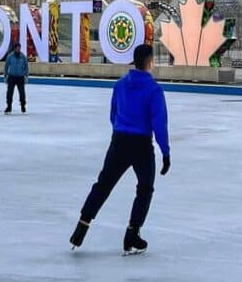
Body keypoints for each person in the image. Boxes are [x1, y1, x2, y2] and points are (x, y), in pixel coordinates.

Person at [70, 43, 170, 255]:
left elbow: (113, 114)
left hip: (119, 140)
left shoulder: (121, 85)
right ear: (150, 61)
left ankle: (82, 226)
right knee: (145, 188)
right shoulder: (154, 89)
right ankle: (132, 233)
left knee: (104, 184)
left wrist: (120, 130)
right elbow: (159, 123)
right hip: (141, 145)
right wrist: (166, 152)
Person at [3, 41, 28, 114]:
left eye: (19, 49)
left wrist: (26, 75)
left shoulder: (23, 56)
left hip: (20, 77)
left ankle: (23, 105)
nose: (18, 50)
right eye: (17, 49)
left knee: (22, 93)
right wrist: (5, 75)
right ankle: (9, 106)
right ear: (14, 49)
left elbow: (26, 66)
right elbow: (6, 66)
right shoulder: (10, 56)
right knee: (9, 93)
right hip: (11, 77)